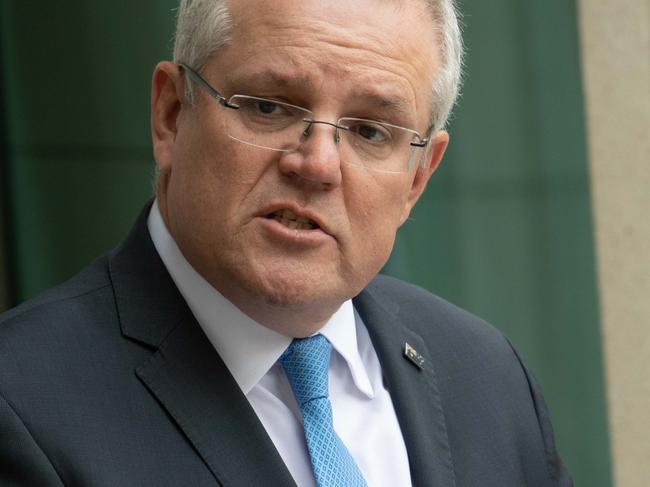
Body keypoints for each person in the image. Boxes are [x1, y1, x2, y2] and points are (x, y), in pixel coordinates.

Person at [0, 0, 573, 485]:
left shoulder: (487, 376)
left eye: (371, 131)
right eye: (269, 107)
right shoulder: (22, 404)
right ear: (172, 116)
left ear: (418, 179)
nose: (318, 165)